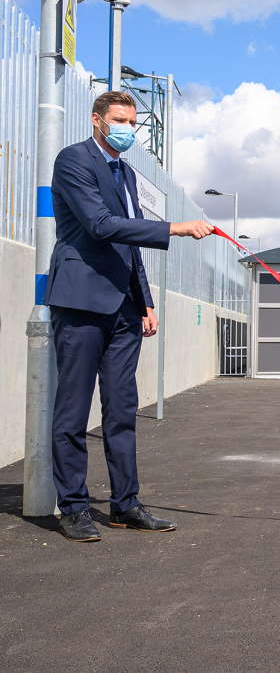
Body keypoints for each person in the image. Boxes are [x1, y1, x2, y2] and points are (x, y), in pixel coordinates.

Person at [48, 90, 215, 542]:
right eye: (119, 120)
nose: (126, 129)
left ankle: (125, 505)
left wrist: (145, 300)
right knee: (73, 411)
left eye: (132, 122)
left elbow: (130, 245)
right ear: (97, 119)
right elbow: (100, 226)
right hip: (82, 302)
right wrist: (174, 227)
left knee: (121, 410)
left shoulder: (125, 172)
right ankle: (75, 507)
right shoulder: (74, 161)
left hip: (123, 309)